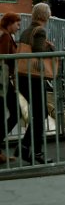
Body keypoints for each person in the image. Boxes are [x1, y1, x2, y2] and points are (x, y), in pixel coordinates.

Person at [15, 3, 55, 164]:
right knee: (41, 114)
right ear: (44, 16)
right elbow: (39, 52)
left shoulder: (26, 30)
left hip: (22, 76)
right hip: (33, 77)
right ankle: (34, 151)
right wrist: (50, 48)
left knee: (40, 113)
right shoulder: (40, 31)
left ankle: (25, 148)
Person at [0, 12, 21, 163]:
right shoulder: (5, 36)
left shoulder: (5, 35)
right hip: (3, 82)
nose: (19, 27)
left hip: (4, 82)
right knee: (14, 113)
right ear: (10, 23)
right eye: (17, 24)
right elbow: (5, 59)